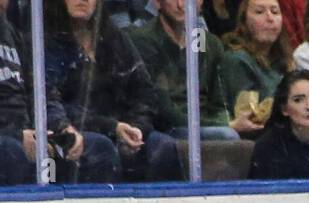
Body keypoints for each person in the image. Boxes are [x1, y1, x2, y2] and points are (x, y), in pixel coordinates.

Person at [42, 0, 182, 181]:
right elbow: (50, 102)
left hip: (121, 129)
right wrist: (112, 127)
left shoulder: (113, 37)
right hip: (72, 132)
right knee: (101, 149)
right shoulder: (45, 41)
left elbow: (144, 90)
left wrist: (136, 127)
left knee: (164, 148)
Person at [0, 0, 118, 182]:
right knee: (10, 152)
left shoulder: (11, 34)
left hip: (27, 133)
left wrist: (62, 127)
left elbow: (41, 91)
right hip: (9, 139)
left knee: (98, 149)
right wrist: (16, 135)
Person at [128, 0, 237, 140]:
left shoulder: (206, 42)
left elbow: (220, 103)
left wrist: (224, 122)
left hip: (204, 126)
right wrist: (226, 125)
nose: (181, 5)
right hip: (165, 129)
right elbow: (163, 111)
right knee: (227, 135)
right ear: (157, 2)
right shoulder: (144, 40)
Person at [220, 0, 295, 138]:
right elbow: (251, 117)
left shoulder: (285, 60)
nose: (270, 18)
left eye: (275, 12)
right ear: (244, 21)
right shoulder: (237, 60)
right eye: (259, 12)